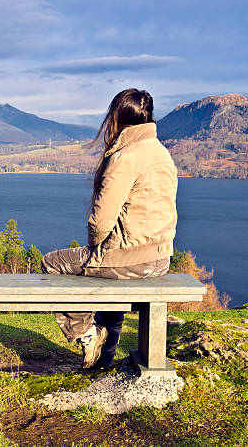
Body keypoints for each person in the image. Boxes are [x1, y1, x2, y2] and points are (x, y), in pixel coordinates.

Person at [41, 88, 177, 369]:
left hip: (133, 259)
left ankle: (85, 333)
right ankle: (103, 362)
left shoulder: (126, 156)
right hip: (160, 258)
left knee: (53, 263)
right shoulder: (161, 153)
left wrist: (96, 245)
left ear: (115, 118)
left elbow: (101, 222)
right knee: (109, 277)